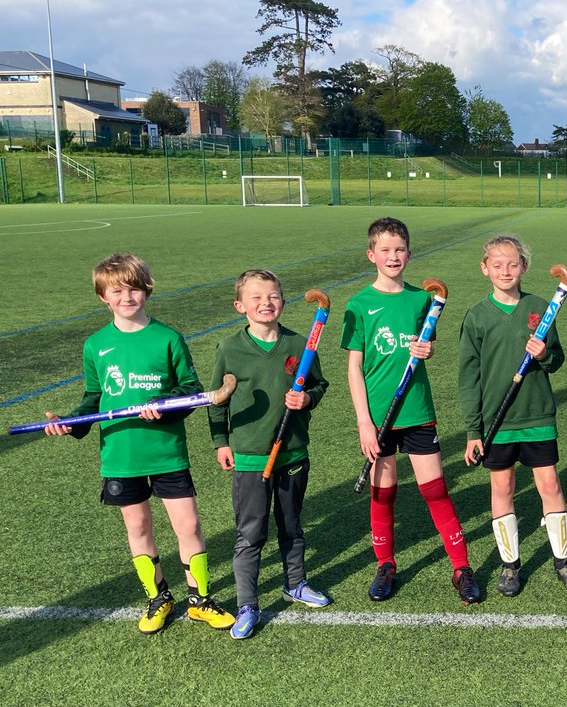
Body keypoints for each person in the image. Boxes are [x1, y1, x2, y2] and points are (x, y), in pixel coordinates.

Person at [43, 253, 234, 634]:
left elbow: (191, 391)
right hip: (120, 455)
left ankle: (200, 599)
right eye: (117, 291)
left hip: (165, 451)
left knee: (189, 526)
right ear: (103, 297)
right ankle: (158, 596)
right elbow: (94, 397)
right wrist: (70, 423)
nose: (127, 297)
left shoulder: (167, 338)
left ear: (146, 290)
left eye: (134, 288)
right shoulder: (96, 345)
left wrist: (162, 407)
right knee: (139, 528)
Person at [342, 217, 481, 605]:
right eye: (385, 250)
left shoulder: (423, 300)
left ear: (410, 253)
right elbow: (354, 367)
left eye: (400, 249)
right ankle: (385, 564)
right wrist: (364, 422)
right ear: (371, 255)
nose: (393, 256)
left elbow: (426, 345)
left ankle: (461, 567)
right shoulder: (359, 305)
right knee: (383, 493)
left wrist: (428, 350)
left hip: (417, 410)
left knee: (435, 491)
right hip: (379, 418)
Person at [458, 236, 567, 597]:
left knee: (550, 486)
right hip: (496, 420)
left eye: (512, 264)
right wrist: (473, 429)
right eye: (497, 265)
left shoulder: (539, 307)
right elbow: (468, 377)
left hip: (536, 414)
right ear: (485, 268)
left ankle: (564, 562)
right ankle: (510, 565)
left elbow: (557, 360)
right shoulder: (476, 316)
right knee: (502, 488)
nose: (505, 271)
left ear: (524, 267)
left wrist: (544, 353)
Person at [207, 269, 332, 640]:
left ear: (283, 300)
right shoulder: (229, 349)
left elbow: (319, 383)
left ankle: (295, 583)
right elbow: (216, 402)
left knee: (291, 526)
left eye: (273, 296)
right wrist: (221, 442)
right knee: (251, 534)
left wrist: (307, 398)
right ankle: (248, 603)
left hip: (292, 453)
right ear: (239, 305)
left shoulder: (299, 345)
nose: (265, 303)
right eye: (256, 297)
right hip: (249, 457)